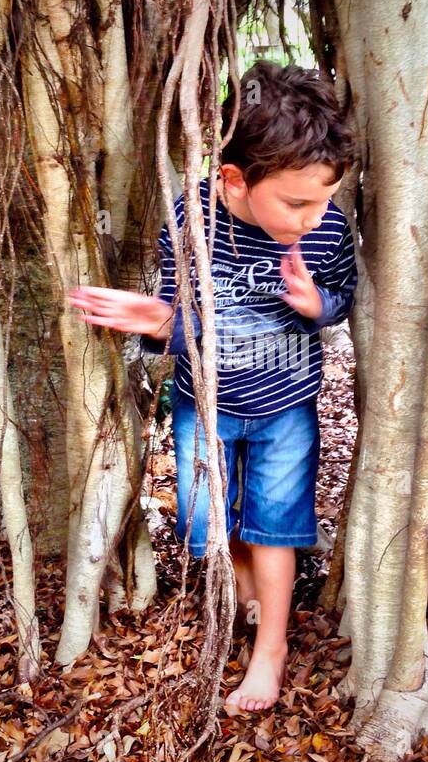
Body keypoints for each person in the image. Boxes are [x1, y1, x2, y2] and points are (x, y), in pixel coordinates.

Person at [67, 61, 359, 713]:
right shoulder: (190, 219)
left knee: (276, 526)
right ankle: (246, 593)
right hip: (207, 404)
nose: (314, 218)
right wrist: (159, 322)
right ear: (234, 178)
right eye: (296, 202)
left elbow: (344, 296)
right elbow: (180, 318)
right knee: (205, 523)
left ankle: (271, 650)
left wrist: (318, 305)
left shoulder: (328, 227)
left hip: (286, 404)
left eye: (324, 198)